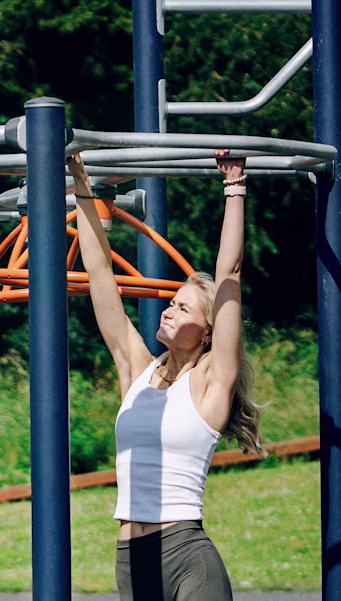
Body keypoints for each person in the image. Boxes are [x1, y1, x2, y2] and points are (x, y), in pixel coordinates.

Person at [67, 151, 265, 601]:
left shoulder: (212, 383)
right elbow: (100, 275)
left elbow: (229, 272)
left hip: (187, 558)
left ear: (209, 332)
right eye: (172, 302)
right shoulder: (137, 369)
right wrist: (83, 188)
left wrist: (234, 186)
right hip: (130, 562)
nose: (169, 309)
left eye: (183, 307)